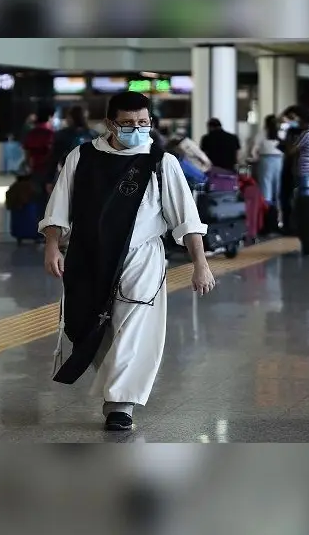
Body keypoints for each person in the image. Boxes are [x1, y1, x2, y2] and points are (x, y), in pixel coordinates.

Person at [39, 91, 214, 432]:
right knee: (92, 326)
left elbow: (186, 218)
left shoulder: (161, 162)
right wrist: (52, 247)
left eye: (144, 123)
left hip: (141, 257)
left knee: (134, 327)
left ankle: (121, 404)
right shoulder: (82, 156)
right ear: (110, 124)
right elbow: (58, 207)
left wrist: (200, 263)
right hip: (89, 254)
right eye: (129, 123)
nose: (137, 129)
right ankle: (116, 394)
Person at [282, 105, 309, 197]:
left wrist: (286, 142)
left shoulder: (307, 134)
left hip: (306, 170)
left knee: (304, 198)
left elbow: (291, 151)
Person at [249, 114, 285, 207]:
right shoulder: (281, 133)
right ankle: (277, 210)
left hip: (265, 160)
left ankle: (266, 209)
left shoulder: (262, 133)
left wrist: (255, 158)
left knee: (265, 185)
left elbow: (254, 150)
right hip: (279, 160)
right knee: (278, 185)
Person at [49, 105, 94, 175]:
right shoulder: (92, 134)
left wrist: (50, 178)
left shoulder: (62, 135)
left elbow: (55, 158)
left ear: (71, 118)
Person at [22, 106, 56, 184]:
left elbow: (27, 150)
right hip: (47, 168)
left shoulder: (32, 131)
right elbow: (52, 151)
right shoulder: (50, 132)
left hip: (34, 166)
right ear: (49, 117)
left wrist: (28, 164)